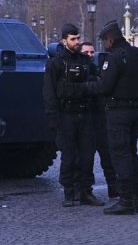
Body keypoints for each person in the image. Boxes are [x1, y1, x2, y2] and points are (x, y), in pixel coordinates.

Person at [42, 24, 103, 207]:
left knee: (87, 156)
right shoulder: (55, 64)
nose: (77, 42)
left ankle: (85, 192)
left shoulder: (86, 62)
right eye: (73, 39)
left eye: (78, 38)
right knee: (69, 157)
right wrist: (52, 116)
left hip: (85, 114)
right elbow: (49, 92)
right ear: (64, 41)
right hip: (65, 115)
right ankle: (69, 193)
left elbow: (97, 83)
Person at [97, 20, 138, 215]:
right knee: (132, 154)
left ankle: (125, 200)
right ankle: (137, 198)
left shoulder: (115, 58)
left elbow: (105, 87)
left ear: (110, 39)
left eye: (104, 41)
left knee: (121, 156)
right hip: (135, 110)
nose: (104, 45)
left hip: (118, 113)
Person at [81, 41, 117, 199]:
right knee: (86, 159)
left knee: (108, 157)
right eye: (86, 52)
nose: (89, 55)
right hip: (86, 119)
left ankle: (113, 187)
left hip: (101, 119)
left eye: (91, 52)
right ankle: (86, 190)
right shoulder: (81, 71)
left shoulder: (96, 69)